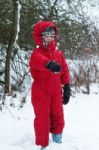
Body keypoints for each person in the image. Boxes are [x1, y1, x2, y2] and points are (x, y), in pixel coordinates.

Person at [29, 20, 70, 150]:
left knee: (58, 115)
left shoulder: (59, 54)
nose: (50, 38)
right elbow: (38, 61)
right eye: (47, 35)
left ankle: (57, 140)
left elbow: (64, 70)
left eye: (52, 35)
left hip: (56, 90)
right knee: (42, 118)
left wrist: (67, 86)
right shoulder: (37, 53)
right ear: (41, 36)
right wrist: (48, 64)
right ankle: (43, 144)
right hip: (41, 91)